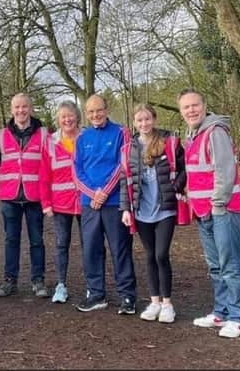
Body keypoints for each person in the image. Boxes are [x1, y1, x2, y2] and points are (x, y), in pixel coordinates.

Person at [178, 89, 240, 338]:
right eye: (186, 107)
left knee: (230, 264)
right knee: (215, 265)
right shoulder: (192, 136)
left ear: (204, 105)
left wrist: (218, 204)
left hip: (223, 210)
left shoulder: (215, 132)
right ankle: (221, 311)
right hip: (204, 212)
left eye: (195, 105)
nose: (191, 110)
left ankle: (239, 316)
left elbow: (225, 171)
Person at [119, 103, 186, 323]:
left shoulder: (170, 142)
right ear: (134, 123)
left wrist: (176, 186)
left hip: (165, 209)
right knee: (149, 256)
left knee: (161, 255)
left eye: (147, 119)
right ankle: (154, 301)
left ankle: (167, 304)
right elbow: (125, 180)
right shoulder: (130, 148)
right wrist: (126, 208)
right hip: (141, 211)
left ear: (154, 119)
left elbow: (186, 168)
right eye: (139, 120)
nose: (144, 124)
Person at [73, 94, 137, 314]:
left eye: (98, 110)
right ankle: (96, 293)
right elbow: (77, 171)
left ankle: (127, 296)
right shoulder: (82, 138)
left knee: (120, 248)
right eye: (90, 112)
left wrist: (105, 192)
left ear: (106, 109)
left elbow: (123, 165)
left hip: (114, 202)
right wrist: (93, 194)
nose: (95, 115)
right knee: (91, 249)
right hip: (89, 202)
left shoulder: (121, 133)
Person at [0, 93, 49, 298]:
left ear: (30, 109)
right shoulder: (0, 135)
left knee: (36, 240)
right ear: (11, 110)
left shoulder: (43, 134)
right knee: (11, 240)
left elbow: (50, 162)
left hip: (35, 195)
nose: (21, 111)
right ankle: (10, 280)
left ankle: (38, 280)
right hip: (10, 196)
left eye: (24, 107)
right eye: (17, 107)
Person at [39, 101, 82, 304]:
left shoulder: (87, 137)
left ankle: (93, 286)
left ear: (77, 117)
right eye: (63, 116)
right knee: (61, 244)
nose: (67, 119)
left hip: (85, 201)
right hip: (59, 203)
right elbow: (44, 175)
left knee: (90, 244)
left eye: (70, 115)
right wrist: (46, 203)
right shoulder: (50, 142)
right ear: (58, 119)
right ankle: (61, 284)